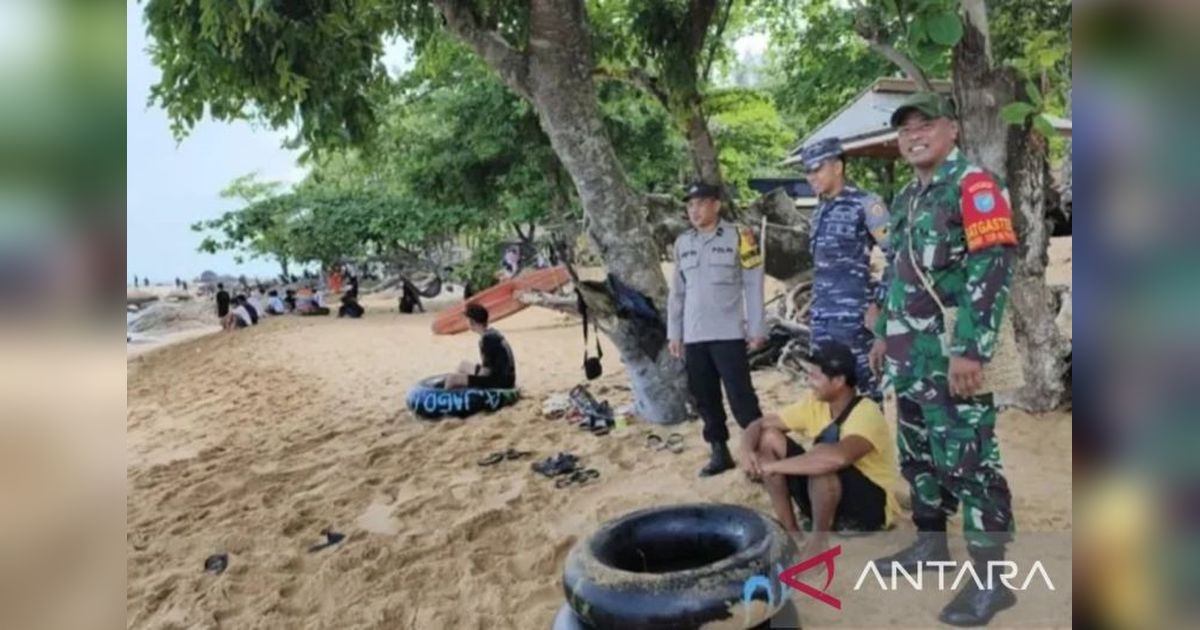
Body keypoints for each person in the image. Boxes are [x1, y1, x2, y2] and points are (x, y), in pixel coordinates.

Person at [868, 92, 1019, 626]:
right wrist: (885, 331)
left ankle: (991, 583)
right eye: (905, 129)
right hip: (910, 359)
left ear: (951, 130)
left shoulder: (974, 186)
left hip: (954, 358)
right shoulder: (910, 195)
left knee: (971, 464)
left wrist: (970, 349)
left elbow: (992, 270)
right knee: (920, 458)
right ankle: (931, 547)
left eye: (925, 124)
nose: (914, 135)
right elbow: (899, 273)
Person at [738, 342, 899, 557]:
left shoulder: (867, 412)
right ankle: (791, 533)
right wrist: (747, 450)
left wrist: (772, 467)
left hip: (869, 510)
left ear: (839, 381)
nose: (809, 382)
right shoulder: (816, 404)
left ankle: (818, 545)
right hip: (824, 498)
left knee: (822, 460)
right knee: (768, 439)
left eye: (815, 377)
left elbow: (838, 458)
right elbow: (759, 425)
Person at [667, 182, 766, 477]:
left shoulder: (741, 236)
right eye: (689, 206)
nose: (694, 211)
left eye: (700, 203)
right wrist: (675, 332)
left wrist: (757, 327)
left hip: (729, 333)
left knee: (741, 397)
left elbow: (753, 283)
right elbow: (678, 292)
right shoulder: (683, 243)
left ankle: (759, 453)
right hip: (694, 334)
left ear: (716, 205)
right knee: (705, 397)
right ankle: (719, 452)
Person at [800, 137, 891, 402]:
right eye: (807, 171)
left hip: (854, 321)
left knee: (864, 394)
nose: (811, 177)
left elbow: (897, 255)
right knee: (827, 391)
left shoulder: (866, 204)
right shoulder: (819, 211)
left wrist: (879, 303)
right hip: (822, 319)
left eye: (817, 169)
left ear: (838, 167)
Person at [445, 304, 516, 389]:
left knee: (452, 379)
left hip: (500, 382)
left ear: (472, 322)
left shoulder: (486, 340)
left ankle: (447, 398)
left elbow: (486, 372)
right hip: (506, 377)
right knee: (463, 365)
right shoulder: (492, 332)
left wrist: (469, 379)